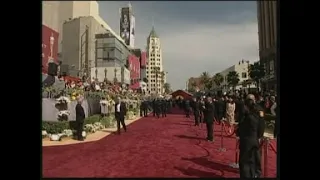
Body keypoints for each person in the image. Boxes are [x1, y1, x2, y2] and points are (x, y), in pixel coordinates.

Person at [237, 94, 265, 178]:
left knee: (248, 160)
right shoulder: (257, 110)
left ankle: (256, 172)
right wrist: (259, 136)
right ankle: (255, 173)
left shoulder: (247, 109)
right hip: (254, 137)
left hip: (247, 138)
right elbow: (261, 125)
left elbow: (240, 123)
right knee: (253, 159)